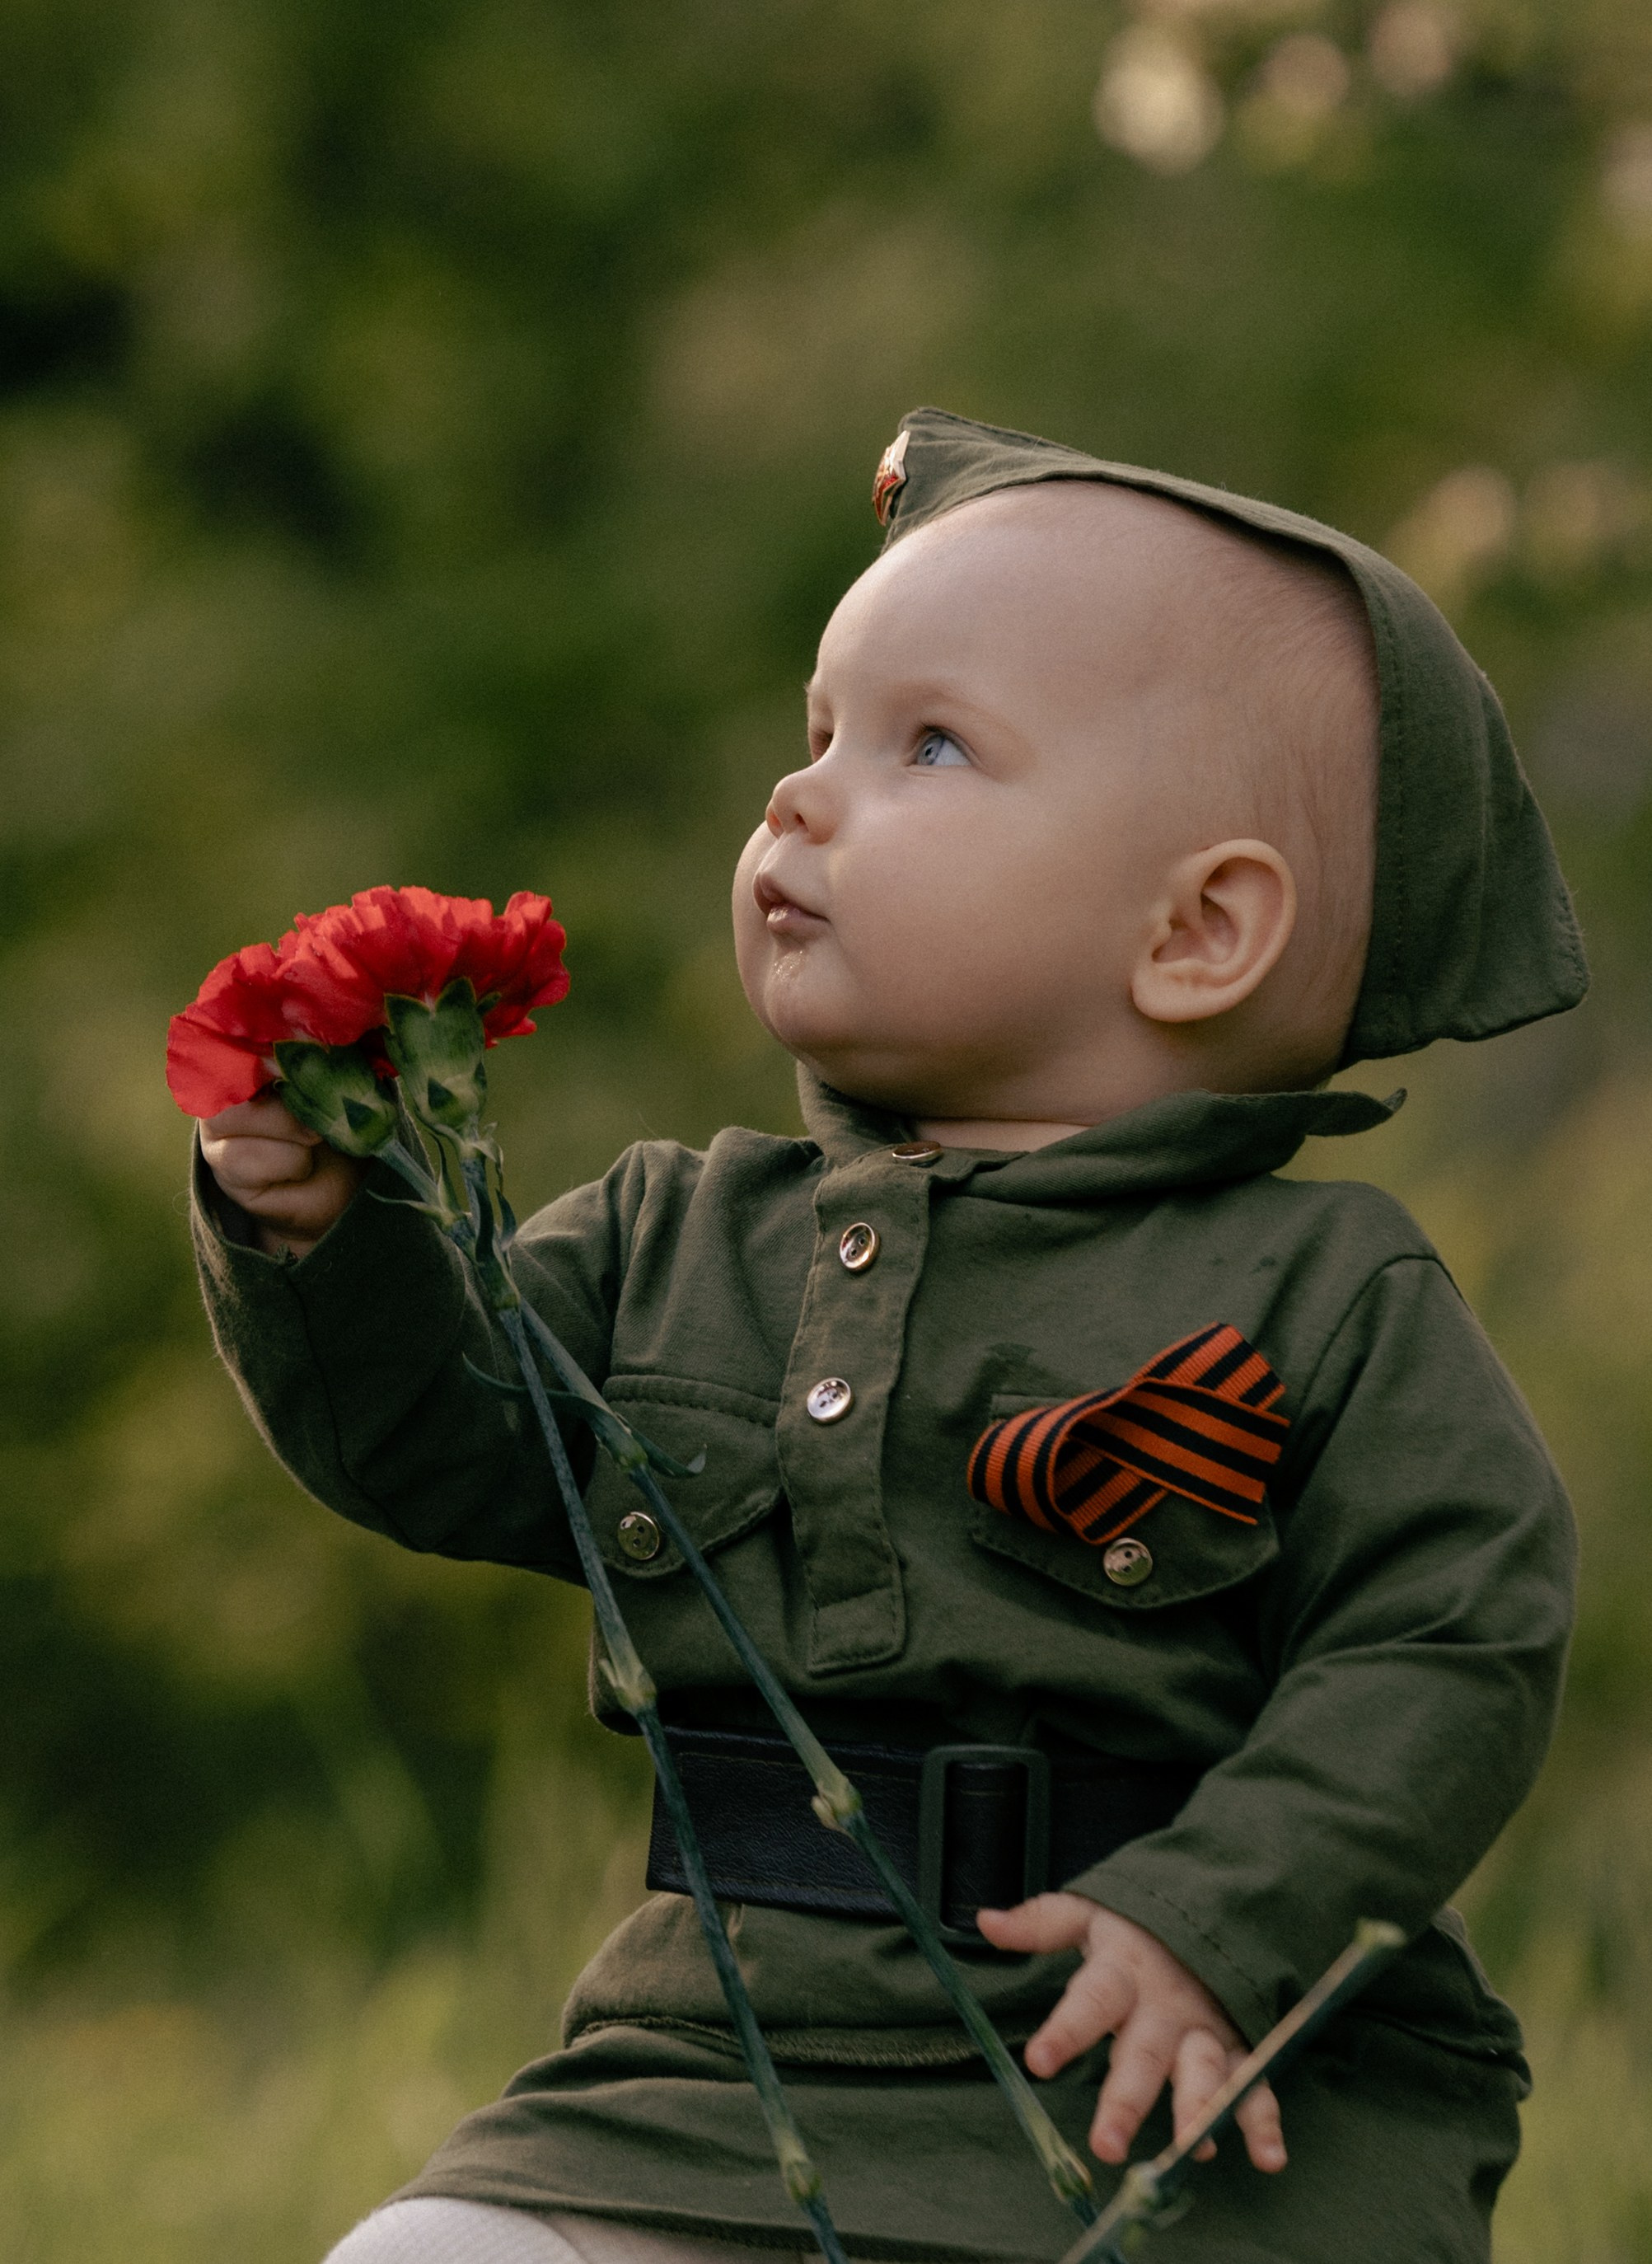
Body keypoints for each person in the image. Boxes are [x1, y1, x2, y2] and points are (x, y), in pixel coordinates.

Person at [193, 408, 1585, 2263]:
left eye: (929, 745)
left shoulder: (1321, 1293)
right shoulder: (669, 1233)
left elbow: (1452, 1636)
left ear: (1198, 931)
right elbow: (437, 1441)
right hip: (721, 2057)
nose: (802, 798)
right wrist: (323, 1228)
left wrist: (1225, 1914)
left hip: (1184, 2067)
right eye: (816, 733)